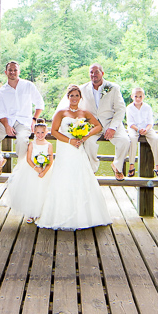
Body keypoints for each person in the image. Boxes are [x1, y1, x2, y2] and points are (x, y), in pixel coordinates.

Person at [37, 85, 111, 230]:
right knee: (63, 177)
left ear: (80, 97)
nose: (74, 98)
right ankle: (60, 214)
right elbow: (54, 131)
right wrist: (70, 140)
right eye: (72, 95)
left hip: (78, 148)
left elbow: (98, 126)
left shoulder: (84, 113)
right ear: (68, 97)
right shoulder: (61, 113)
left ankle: (84, 215)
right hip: (66, 147)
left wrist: (85, 136)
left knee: (81, 176)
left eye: (77, 95)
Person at [58, 63, 131, 179]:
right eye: (91, 72)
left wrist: (113, 127)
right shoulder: (82, 89)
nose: (94, 75)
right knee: (88, 142)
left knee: (125, 140)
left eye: (96, 72)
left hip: (110, 123)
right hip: (91, 125)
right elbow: (73, 105)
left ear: (102, 73)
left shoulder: (113, 88)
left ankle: (117, 166)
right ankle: (92, 170)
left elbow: (121, 109)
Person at [0, 61, 44, 177]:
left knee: (22, 140)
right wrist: (7, 126)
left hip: (24, 121)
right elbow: (1, 113)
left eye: (15, 70)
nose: (12, 72)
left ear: (19, 71)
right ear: (6, 72)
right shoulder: (1, 91)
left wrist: (34, 119)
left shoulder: (28, 86)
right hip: (5, 122)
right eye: (10, 70)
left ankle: (21, 168)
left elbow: (40, 104)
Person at [2, 121, 53, 223]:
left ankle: (41, 213)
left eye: (42, 132)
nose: (40, 135)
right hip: (32, 170)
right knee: (32, 191)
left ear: (46, 132)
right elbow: (28, 159)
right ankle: (31, 214)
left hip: (45, 171)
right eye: (37, 132)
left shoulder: (49, 145)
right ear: (34, 132)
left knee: (43, 192)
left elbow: (50, 161)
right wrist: (36, 168)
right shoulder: (31, 144)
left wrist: (44, 171)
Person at [126, 87, 155, 178]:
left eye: (140, 96)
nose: (138, 98)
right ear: (132, 96)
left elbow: (150, 122)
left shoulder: (147, 107)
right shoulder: (129, 108)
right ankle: (131, 165)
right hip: (134, 129)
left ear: (144, 96)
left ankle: (157, 165)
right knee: (132, 139)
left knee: (155, 139)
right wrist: (138, 129)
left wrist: (146, 129)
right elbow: (130, 123)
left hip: (146, 128)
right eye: (136, 96)